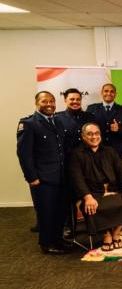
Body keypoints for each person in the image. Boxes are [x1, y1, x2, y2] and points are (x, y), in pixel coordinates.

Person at [68, 123, 122, 252]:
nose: (94, 137)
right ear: (83, 136)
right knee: (92, 208)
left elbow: (121, 171)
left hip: (112, 190)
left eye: (97, 133)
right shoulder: (76, 154)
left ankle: (116, 233)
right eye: (90, 134)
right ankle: (106, 235)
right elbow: (77, 179)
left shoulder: (110, 151)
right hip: (91, 194)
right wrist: (87, 197)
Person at [17, 91, 69, 254]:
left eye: (52, 101)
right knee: (46, 212)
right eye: (44, 101)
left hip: (60, 176)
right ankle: (47, 244)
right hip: (42, 179)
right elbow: (24, 154)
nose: (49, 104)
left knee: (60, 211)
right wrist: (31, 177)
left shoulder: (58, 122)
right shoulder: (29, 124)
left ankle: (58, 239)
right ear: (36, 103)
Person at [87, 83, 122, 158]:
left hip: (117, 152)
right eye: (106, 91)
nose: (109, 93)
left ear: (115, 94)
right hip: (97, 150)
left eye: (112, 91)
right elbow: (86, 130)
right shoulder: (91, 109)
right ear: (101, 92)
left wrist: (119, 129)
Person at [56, 88, 96, 156]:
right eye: (72, 99)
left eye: (78, 99)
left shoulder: (90, 117)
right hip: (67, 159)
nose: (75, 101)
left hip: (88, 159)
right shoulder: (57, 118)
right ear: (65, 100)